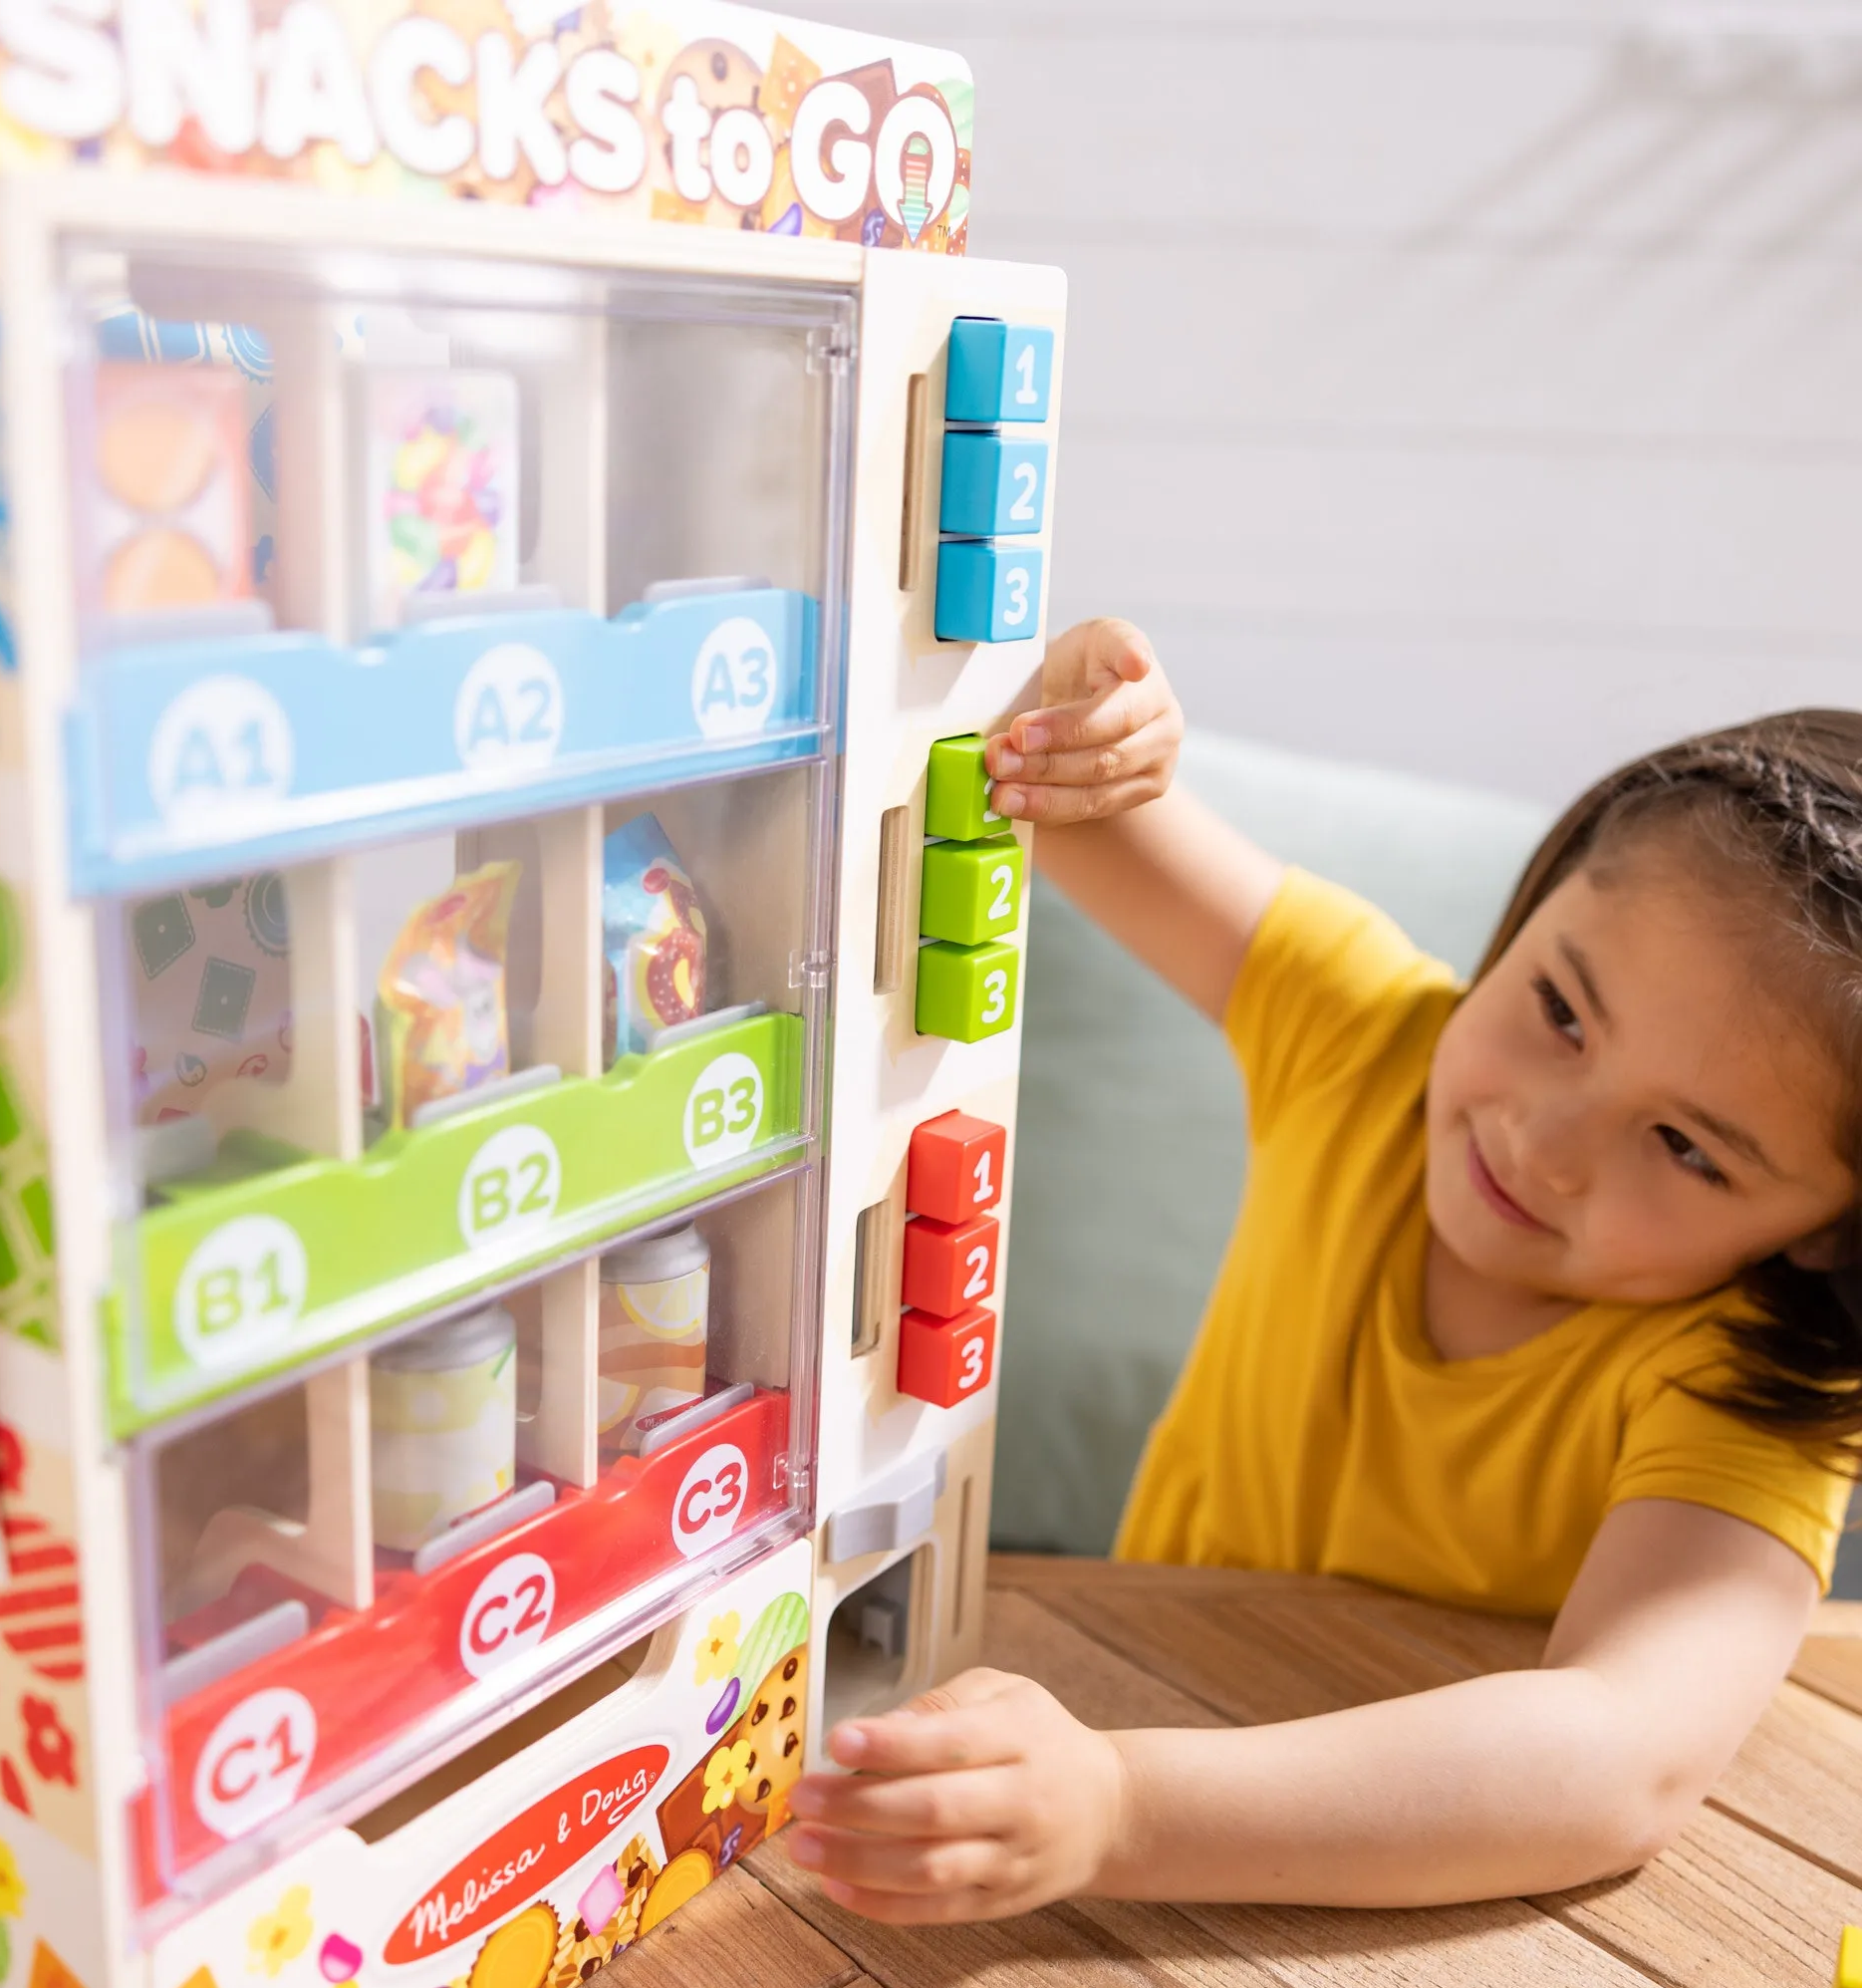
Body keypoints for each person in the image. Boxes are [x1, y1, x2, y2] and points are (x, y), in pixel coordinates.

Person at [787, 618, 1862, 1919]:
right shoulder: (1365, 1039)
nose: (1546, 1142)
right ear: (1529, 913)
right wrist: (1097, 734)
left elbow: (1620, 1764)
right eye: (1562, 1013)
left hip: (1408, 1887)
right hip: (1133, 1682)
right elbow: (1053, 792)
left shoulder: (1757, 1390)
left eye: (1687, 1148)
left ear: (1830, 1229)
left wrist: (1118, 1810)